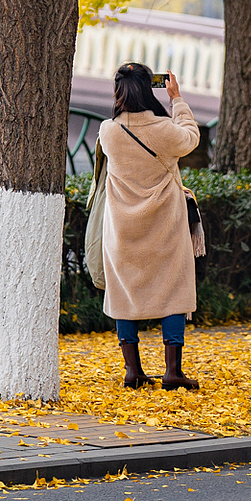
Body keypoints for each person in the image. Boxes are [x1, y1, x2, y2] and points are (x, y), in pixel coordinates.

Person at [98, 61, 201, 390]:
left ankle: (132, 371)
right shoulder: (164, 130)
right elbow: (191, 138)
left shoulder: (108, 132)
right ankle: (173, 372)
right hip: (165, 226)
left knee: (124, 293)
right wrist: (177, 100)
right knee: (173, 291)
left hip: (121, 230)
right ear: (149, 88)